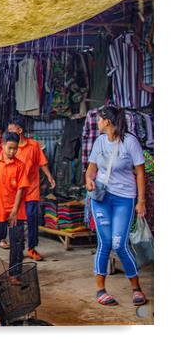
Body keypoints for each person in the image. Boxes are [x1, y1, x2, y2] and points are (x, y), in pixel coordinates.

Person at [85, 105, 147, 307]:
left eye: (99, 119)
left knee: (119, 244)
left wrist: (141, 201)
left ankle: (136, 288)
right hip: (101, 198)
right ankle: (100, 290)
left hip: (124, 199)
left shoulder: (130, 142)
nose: (97, 122)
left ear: (107, 121)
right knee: (104, 243)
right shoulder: (99, 141)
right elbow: (91, 168)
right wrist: (89, 180)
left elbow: (140, 172)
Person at [0, 132, 30, 280]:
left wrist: (14, 210)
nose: (12, 152)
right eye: (9, 148)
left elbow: (21, 188)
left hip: (16, 210)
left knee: (17, 243)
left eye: (15, 149)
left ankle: (14, 274)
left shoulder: (20, 165)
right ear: (3, 145)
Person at [7, 118, 56, 261]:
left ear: (20, 130)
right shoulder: (11, 148)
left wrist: (50, 177)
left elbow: (42, 163)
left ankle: (31, 248)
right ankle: (18, 248)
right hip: (16, 192)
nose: (9, 133)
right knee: (17, 222)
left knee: (32, 219)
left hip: (31, 190)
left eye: (12, 130)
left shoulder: (34, 145)